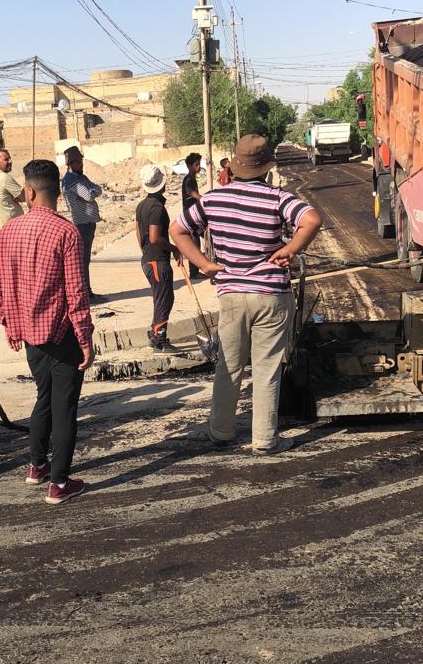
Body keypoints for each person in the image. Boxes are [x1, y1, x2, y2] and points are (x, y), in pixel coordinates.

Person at [171, 135, 322, 454]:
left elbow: (178, 230)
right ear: (267, 168)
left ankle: (221, 431)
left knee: (229, 364)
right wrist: (290, 249)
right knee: (267, 367)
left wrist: (204, 264)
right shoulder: (277, 198)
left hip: (232, 294)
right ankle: (265, 439)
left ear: (235, 166)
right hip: (271, 295)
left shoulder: (213, 199)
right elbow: (311, 219)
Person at [0, 159, 94, 505]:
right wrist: (85, 338)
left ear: (29, 192)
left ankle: (37, 466)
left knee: (44, 397)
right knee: (64, 408)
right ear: (58, 191)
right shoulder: (67, 233)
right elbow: (76, 294)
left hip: (30, 336)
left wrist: (8, 323)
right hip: (62, 335)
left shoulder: (8, 231)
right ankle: (60, 483)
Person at [136, 164, 180, 353]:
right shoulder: (157, 208)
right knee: (164, 299)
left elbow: (139, 233)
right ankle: (159, 339)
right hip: (157, 260)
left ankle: (155, 332)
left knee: (162, 297)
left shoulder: (142, 205)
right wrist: (175, 249)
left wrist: (145, 251)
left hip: (149, 258)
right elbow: (154, 238)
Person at [62, 146, 103, 302]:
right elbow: (89, 196)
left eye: (81, 161)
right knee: (83, 261)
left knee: (85, 260)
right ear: (71, 163)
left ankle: (86, 292)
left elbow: (98, 189)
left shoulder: (81, 177)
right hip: (82, 224)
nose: (81, 164)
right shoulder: (71, 180)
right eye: (78, 162)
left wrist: (93, 190)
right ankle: (86, 294)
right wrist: (92, 191)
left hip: (88, 223)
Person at [0, 149, 25, 238]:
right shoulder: (4, 178)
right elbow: (24, 197)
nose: (10, 161)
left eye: (10, 159)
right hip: (11, 230)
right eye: (6, 159)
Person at [181, 152, 202, 280]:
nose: (198, 167)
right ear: (189, 166)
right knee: (194, 244)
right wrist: (201, 198)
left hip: (194, 215)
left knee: (197, 241)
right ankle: (194, 272)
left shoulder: (192, 178)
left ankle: (196, 268)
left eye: (199, 164)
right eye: (196, 165)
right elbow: (189, 191)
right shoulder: (189, 179)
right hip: (190, 216)